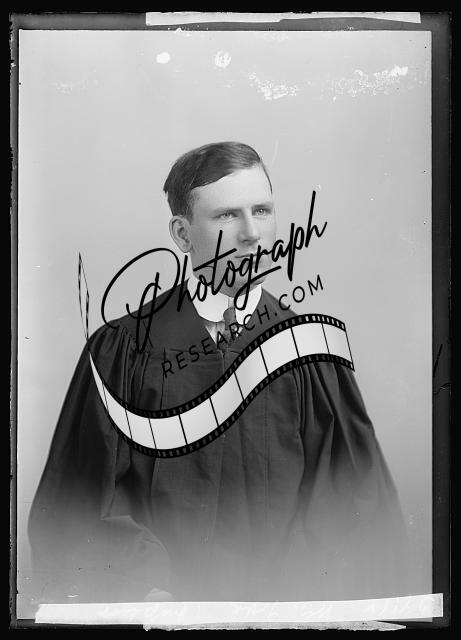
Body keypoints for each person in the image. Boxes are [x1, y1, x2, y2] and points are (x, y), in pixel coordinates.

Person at [28, 141, 409, 605]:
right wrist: (146, 591)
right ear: (182, 234)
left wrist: (293, 598)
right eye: (227, 215)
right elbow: (76, 505)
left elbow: (356, 508)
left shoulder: (311, 354)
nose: (252, 234)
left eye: (262, 210)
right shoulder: (121, 351)